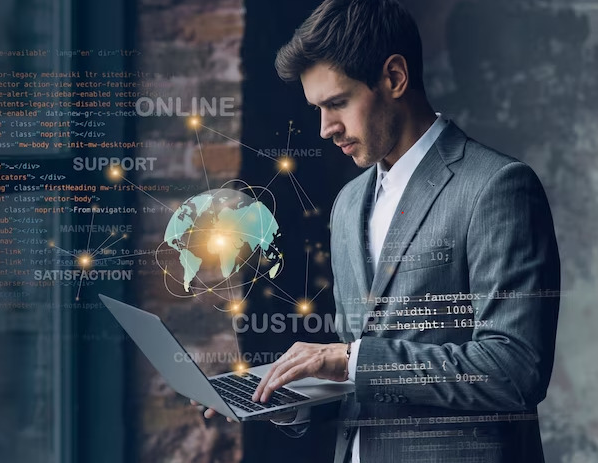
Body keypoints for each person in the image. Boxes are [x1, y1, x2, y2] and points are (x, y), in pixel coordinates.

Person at [197, 0, 561, 461]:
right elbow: (359, 378)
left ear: (394, 78)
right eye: (317, 108)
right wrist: (275, 396)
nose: (325, 128)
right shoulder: (348, 203)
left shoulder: (497, 187)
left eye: (337, 103)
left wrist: (350, 360)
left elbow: (514, 369)